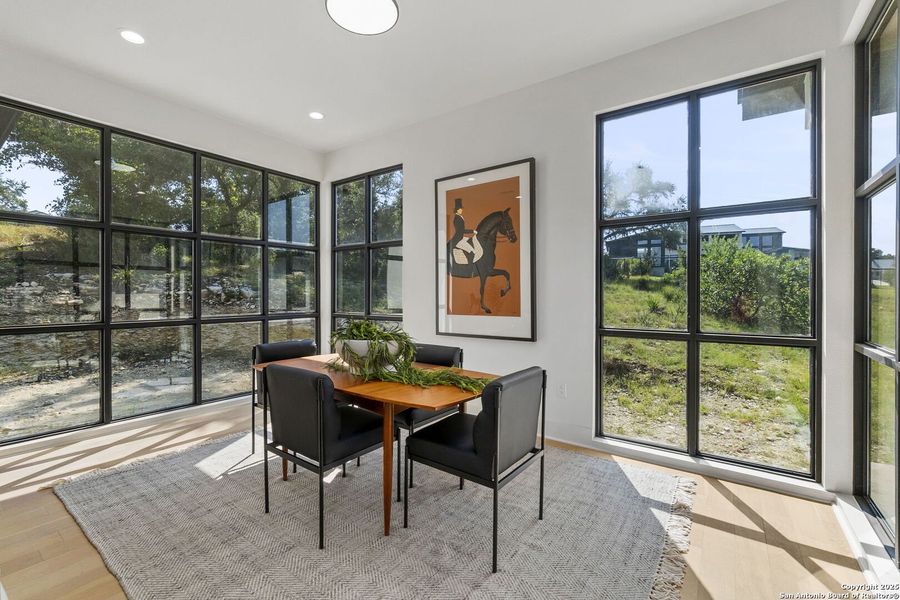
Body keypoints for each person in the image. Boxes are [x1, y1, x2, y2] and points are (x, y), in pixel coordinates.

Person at [449, 198, 477, 264]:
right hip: (458, 239)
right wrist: (472, 231)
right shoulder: (457, 219)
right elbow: (462, 231)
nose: (461, 210)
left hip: (460, 237)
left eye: (461, 209)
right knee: (472, 251)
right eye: (460, 209)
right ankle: (469, 267)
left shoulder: (460, 217)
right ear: (457, 210)